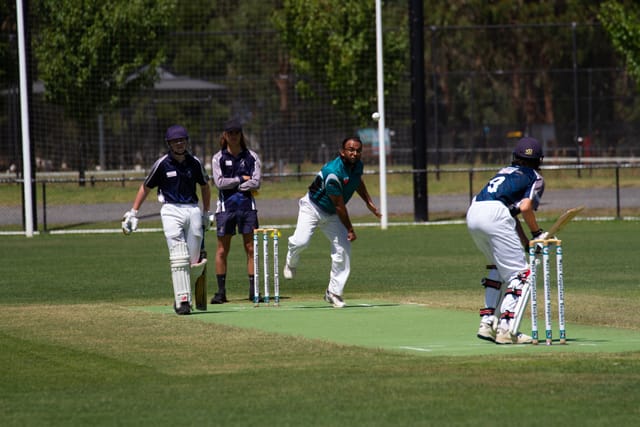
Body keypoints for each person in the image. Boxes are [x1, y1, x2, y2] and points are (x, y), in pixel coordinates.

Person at [122, 125, 211, 315]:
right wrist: (133, 212)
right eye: (175, 141)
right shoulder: (162, 164)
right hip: (171, 210)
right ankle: (182, 301)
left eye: (182, 140)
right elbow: (146, 187)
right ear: (169, 143)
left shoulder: (195, 162)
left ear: (186, 141)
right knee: (179, 255)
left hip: (192, 209)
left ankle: (183, 291)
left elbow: (205, 186)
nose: (179, 144)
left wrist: (206, 212)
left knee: (193, 259)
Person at [283, 136, 381, 307]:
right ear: (342, 152)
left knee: (343, 249)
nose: (354, 153)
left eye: (358, 150)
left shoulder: (358, 165)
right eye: (351, 150)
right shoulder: (333, 173)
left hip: (332, 214)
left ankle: (333, 292)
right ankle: (291, 260)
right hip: (312, 208)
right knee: (301, 242)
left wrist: (368, 202)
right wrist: (350, 229)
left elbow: (357, 181)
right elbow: (339, 206)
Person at [466, 136, 547, 344]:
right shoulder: (535, 177)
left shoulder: (504, 171)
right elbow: (526, 207)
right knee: (521, 274)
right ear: (539, 160)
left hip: (474, 211)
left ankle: (487, 323)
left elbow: (511, 215)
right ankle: (506, 330)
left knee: (498, 268)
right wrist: (537, 234)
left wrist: (525, 242)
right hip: (495, 215)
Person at [210, 118, 262, 303]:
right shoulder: (218, 158)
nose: (233, 136)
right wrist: (240, 179)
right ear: (225, 135)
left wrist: (240, 185)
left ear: (241, 135)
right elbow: (219, 183)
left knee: (251, 248)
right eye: (230, 133)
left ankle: (254, 291)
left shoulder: (252, 156)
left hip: (248, 208)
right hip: (226, 209)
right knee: (222, 250)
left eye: (237, 133)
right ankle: (221, 292)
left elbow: (256, 182)